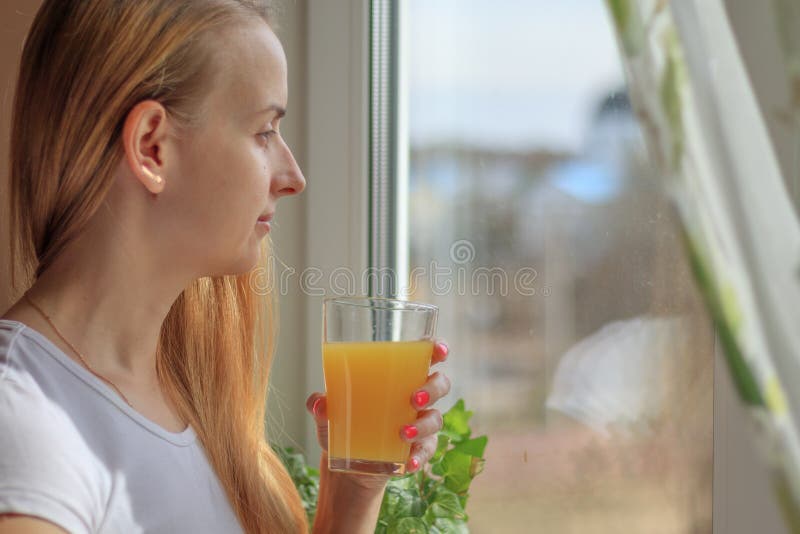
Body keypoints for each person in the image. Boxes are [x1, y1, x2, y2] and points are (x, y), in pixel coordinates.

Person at [0, 1, 451, 533]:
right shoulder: (26, 423)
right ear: (153, 147)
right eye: (264, 132)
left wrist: (352, 494)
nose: (293, 176)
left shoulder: (186, 402)